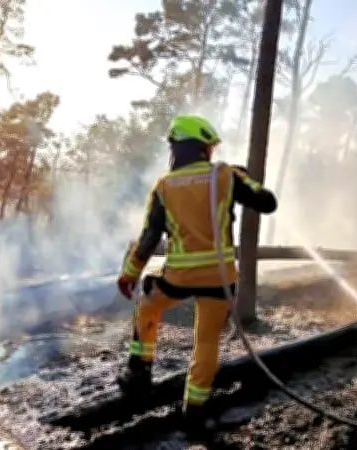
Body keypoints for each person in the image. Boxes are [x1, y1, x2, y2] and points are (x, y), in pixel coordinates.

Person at [115, 113, 278, 431]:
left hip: (178, 278)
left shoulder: (164, 185)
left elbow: (149, 237)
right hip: (220, 279)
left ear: (177, 148)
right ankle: (194, 410)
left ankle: (139, 371)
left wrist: (129, 275)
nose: (212, 152)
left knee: (147, 304)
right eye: (210, 147)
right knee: (206, 342)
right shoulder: (225, 175)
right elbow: (267, 202)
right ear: (202, 147)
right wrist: (243, 178)